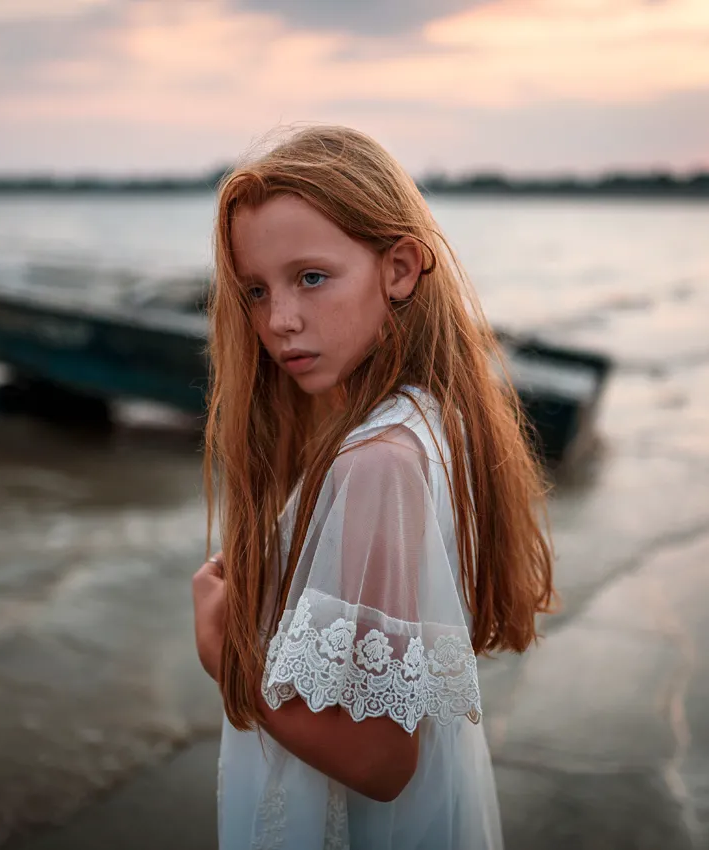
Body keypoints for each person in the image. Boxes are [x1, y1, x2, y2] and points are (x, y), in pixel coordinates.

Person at [191, 124, 555, 850]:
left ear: (399, 268)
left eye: (312, 278)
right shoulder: (432, 417)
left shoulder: (376, 464)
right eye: (256, 291)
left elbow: (380, 758)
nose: (279, 321)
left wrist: (225, 649)